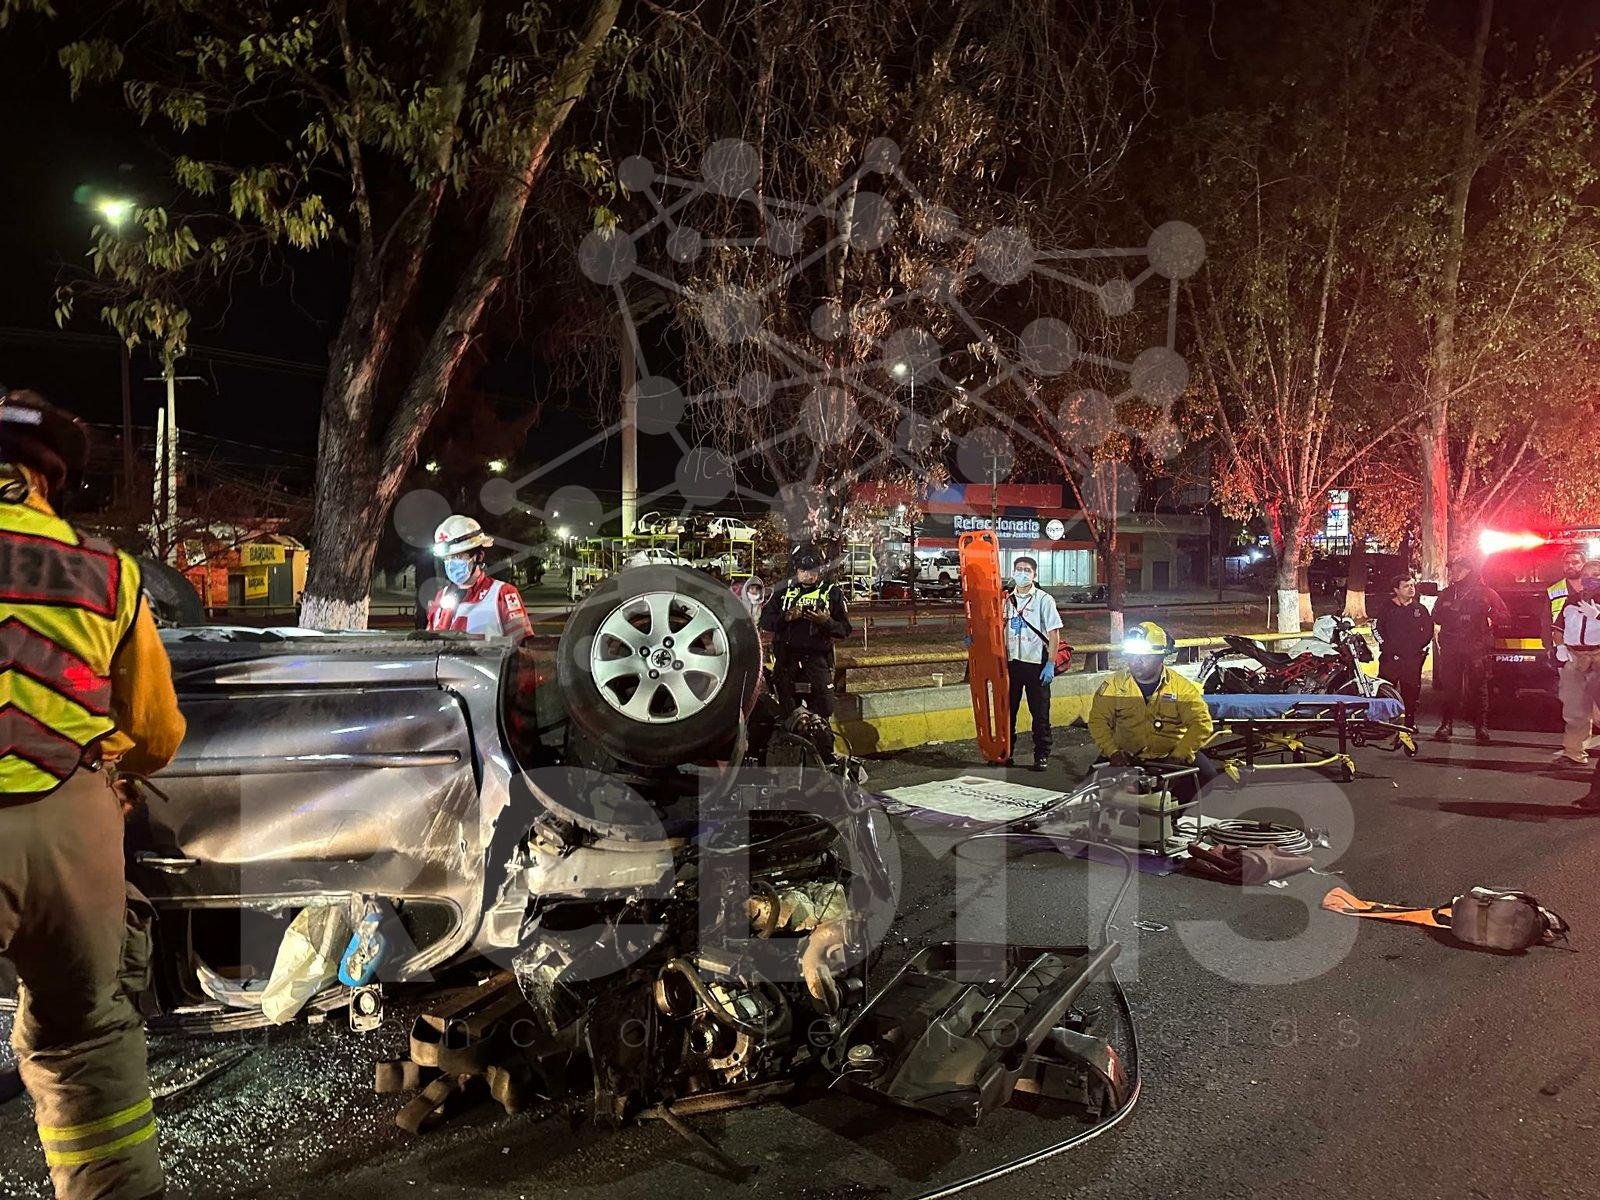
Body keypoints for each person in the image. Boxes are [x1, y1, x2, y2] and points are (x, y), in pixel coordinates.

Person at [0, 389, 186, 1200]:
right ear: (53, 478)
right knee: (84, 1043)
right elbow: (153, 730)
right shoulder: (109, 571)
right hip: (69, 825)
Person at [1088, 621, 1216, 797]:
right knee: (1089, 787)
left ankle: (1177, 814)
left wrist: (1179, 756)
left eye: (1144, 656)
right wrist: (1112, 752)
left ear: (1160, 657)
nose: (1135, 662)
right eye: (1132, 656)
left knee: (1208, 778)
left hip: (1171, 756)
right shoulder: (1112, 686)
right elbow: (1098, 721)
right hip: (1126, 757)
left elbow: (1201, 724)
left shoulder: (1181, 688)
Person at [759, 545, 851, 719]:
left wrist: (826, 622)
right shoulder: (783, 592)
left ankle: (821, 743)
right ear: (796, 570)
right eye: (803, 570)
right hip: (786, 662)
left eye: (813, 571)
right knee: (787, 715)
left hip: (817, 662)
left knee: (823, 712)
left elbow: (845, 630)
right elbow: (765, 621)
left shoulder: (832, 593)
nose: (808, 576)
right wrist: (786, 617)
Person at [1430, 553, 1510, 745]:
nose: (1454, 573)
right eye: (1452, 570)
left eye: (1459, 569)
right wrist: (1450, 615)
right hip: (1451, 647)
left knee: (1478, 688)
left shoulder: (1486, 593)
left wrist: (1490, 616)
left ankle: (1481, 726)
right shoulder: (1447, 593)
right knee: (1450, 688)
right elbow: (1436, 616)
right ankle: (1446, 725)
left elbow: (1505, 616)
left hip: (1477, 647)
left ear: (1470, 571)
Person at [425, 514, 532, 638]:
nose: (450, 563)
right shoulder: (441, 596)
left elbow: (521, 646)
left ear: (479, 557)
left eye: (457, 556)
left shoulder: (503, 594)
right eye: (446, 558)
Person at [1003, 555, 1063, 771]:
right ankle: (1005, 752)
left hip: (1036, 664)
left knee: (1039, 714)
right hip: (1012, 664)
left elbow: (1054, 633)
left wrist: (1050, 663)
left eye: (1027, 570)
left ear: (1034, 574)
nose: (1022, 573)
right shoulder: (1007, 600)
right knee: (1008, 712)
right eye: (1019, 569)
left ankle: (1041, 755)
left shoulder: (1044, 600)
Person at [1551, 561, 1600, 768]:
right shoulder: (1571, 600)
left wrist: (1598, 615)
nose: (1590, 578)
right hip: (1575, 658)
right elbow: (1558, 627)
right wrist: (1560, 647)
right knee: (1575, 709)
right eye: (1587, 575)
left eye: (1596, 574)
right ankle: (1573, 753)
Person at [1372, 576, 1432, 728]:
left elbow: (1428, 630)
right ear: (1396, 590)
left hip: (1412, 660)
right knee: (1386, 692)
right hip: (1390, 659)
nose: (1411, 588)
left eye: (1412, 585)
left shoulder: (1419, 609)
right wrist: (1387, 647)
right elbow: (1376, 628)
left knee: (1411, 694)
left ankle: (1409, 724)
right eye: (1406, 586)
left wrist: (1418, 648)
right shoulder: (1386, 608)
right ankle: (1384, 724)